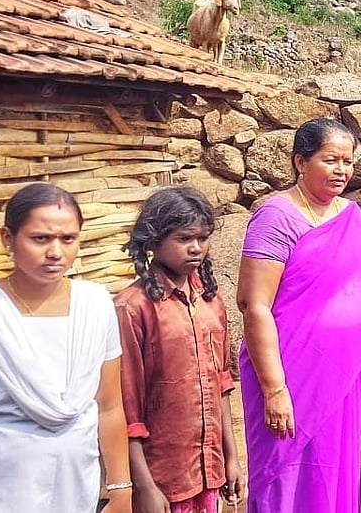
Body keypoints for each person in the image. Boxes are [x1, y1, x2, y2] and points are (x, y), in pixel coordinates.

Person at [0, 183, 132, 513]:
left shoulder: (96, 307)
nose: (55, 252)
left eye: (68, 239)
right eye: (40, 238)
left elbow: (109, 406)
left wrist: (120, 489)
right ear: (7, 239)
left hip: (75, 495)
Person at [237, 118, 361, 512]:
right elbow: (254, 305)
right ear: (301, 162)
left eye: (347, 161)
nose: (341, 170)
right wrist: (274, 389)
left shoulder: (351, 215)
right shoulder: (276, 216)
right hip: (289, 373)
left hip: (341, 374)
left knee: (332, 471)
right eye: (330, 160)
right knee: (287, 472)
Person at [116, 186, 244, 513]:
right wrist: (144, 486)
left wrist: (231, 459)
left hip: (208, 471)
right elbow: (126, 407)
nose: (196, 248)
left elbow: (221, 385)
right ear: (153, 241)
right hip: (162, 477)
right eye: (184, 239)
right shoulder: (132, 308)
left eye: (203, 238)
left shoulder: (211, 301)